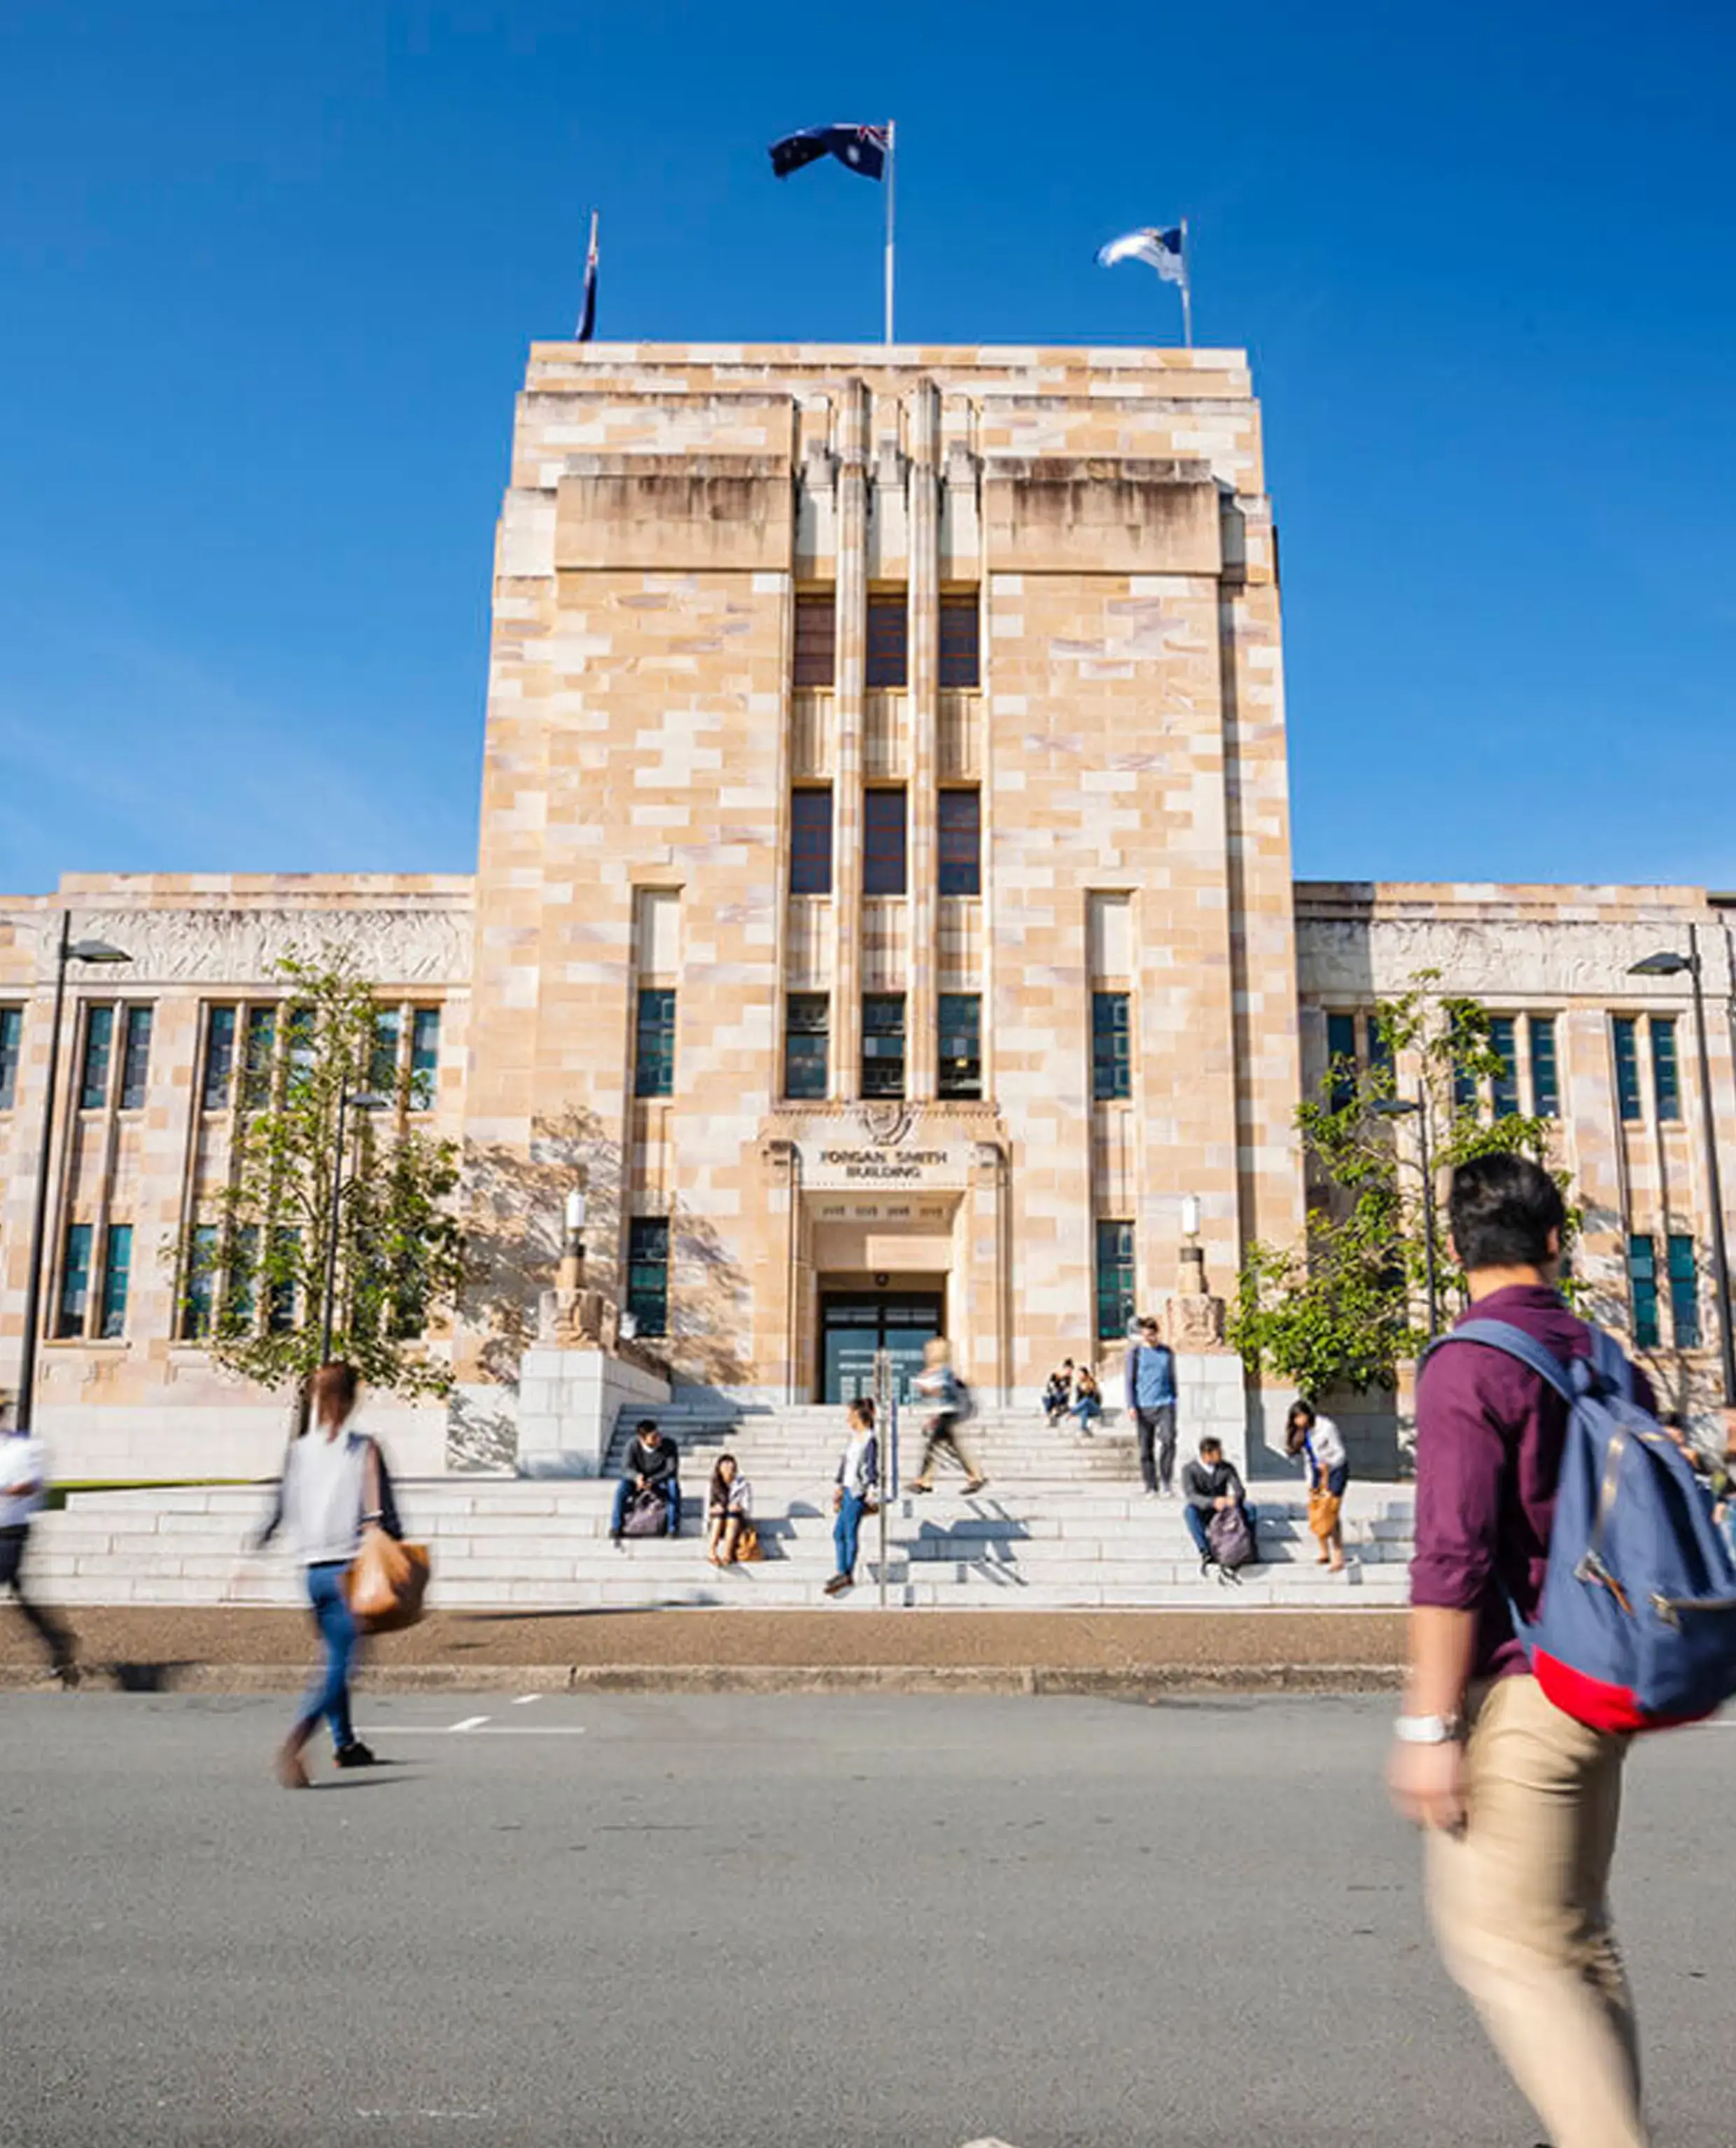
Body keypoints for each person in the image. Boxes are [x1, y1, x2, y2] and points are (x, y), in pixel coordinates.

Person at [1392, 1152, 1658, 2148]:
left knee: (1502, 1942)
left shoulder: (1470, 1361)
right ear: (1555, 1244)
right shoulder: (1604, 1351)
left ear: (1460, 1251)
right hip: (1609, 1674)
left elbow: (1450, 1559)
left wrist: (1427, 1726)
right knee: (1575, 1940)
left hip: (1531, 1690)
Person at [253, 1360, 398, 1789]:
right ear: (351, 1399)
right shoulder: (364, 1449)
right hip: (349, 1568)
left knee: (334, 1653)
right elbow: (382, 1512)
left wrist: (259, 1543)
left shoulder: (300, 1451)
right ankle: (297, 1739)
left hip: (312, 1570)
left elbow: (279, 1510)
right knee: (342, 1663)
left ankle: (347, 1742)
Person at [0, 1407, 77, 1681]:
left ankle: (60, 1644)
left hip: (10, 1532)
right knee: (24, 1599)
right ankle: (59, 1644)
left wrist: (5, 1490)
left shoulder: (24, 1449)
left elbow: (31, 1485)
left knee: (15, 1588)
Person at [908, 1340, 987, 1495]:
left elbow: (943, 1393)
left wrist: (927, 1388)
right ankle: (973, 1477)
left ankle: (925, 1481)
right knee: (943, 1446)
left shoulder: (945, 1371)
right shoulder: (936, 1371)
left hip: (949, 1413)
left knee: (936, 1447)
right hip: (944, 1413)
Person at [1286, 1398, 1349, 1572]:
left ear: (1308, 1414)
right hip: (1316, 1473)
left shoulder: (1326, 1427)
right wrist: (1310, 1481)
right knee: (1317, 1510)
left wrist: (1326, 1464)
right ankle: (1323, 1551)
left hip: (1335, 1470)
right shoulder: (1302, 1433)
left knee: (1331, 1511)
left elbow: (1340, 1453)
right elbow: (1308, 1458)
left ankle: (1338, 1555)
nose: (1299, 1421)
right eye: (1295, 1418)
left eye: (1301, 1417)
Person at [1181, 1437, 1257, 1575]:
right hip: (1205, 1509)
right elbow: (1191, 1495)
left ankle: (1249, 1546)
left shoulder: (1227, 1467)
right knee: (1189, 1511)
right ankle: (1205, 1551)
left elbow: (1240, 1490)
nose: (1221, 1455)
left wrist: (1235, 1498)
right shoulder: (1189, 1470)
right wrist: (1213, 1502)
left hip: (1225, 1510)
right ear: (1206, 1454)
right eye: (1218, 1453)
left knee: (1250, 1508)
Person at [827, 1398, 878, 1597]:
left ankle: (846, 1573)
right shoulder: (855, 1438)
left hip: (858, 1491)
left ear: (858, 1415)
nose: (847, 1418)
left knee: (849, 1532)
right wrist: (839, 1485)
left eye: (850, 1414)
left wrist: (871, 1489)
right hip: (847, 1488)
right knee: (838, 1533)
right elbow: (846, 1464)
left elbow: (872, 1466)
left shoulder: (869, 1439)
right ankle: (842, 1572)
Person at [1126, 1317, 1179, 1496]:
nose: (1148, 1338)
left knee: (1169, 1440)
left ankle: (1166, 1481)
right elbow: (1130, 1381)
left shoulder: (1167, 1353)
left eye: (1151, 1335)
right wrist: (1131, 1404)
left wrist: (1175, 1400)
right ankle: (1151, 1485)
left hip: (1165, 1403)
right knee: (1145, 1447)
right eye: (1145, 1335)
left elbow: (1172, 1378)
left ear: (1157, 1334)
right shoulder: (1135, 1354)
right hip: (1143, 1405)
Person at [609, 1418, 681, 1542]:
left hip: (660, 1479)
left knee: (673, 1485)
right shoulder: (632, 1445)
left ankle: (672, 1527)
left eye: (658, 1435)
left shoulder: (669, 1445)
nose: (658, 1439)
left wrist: (653, 1480)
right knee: (622, 1487)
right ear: (642, 1439)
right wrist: (637, 1477)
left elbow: (671, 1469)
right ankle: (616, 1527)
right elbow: (625, 1468)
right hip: (639, 1480)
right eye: (653, 1437)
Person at [706, 1453, 752, 1567]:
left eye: (730, 1466)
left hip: (736, 1522)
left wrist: (739, 1507)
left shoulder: (743, 1484)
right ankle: (712, 1552)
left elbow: (748, 1508)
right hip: (718, 1523)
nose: (727, 1469)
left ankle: (727, 1554)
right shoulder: (713, 1484)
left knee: (732, 1516)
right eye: (724, 1466)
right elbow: (707, 1509)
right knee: (718, 1517)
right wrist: (714, 1509)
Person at [1069, 1365, 1103, 1434]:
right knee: (1084, 1410)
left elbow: (1095, 1398)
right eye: (1078, 1374)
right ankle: (1084, 1429)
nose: (1079, 1376)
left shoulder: (1092, 1383)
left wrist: (1088, 1389)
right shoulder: (1078, 1386)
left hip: (1095, 1408)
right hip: (1086, 1409)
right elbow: (1078, 1400)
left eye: (1081, 1374)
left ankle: (1072, 1412)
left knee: (1086, 1400)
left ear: (1085, 1374)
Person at [1042, 1360, 1074, 1425]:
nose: (1069, 1372)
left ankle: (1050, 1415)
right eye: (1068, 1370)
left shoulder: (1068, 1378)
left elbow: (1068, 1391)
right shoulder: (1055, 1376)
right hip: (1054, 1397)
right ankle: (1051, 1414)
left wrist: (1066, 1391)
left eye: (1071, 1370)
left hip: (1062, 1399)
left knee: (1060, 1396)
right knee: (1047, 1398)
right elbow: (1050, 1388)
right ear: (1064, 1368)